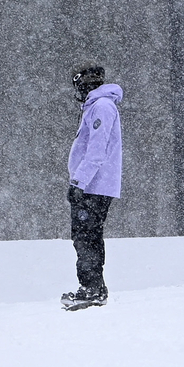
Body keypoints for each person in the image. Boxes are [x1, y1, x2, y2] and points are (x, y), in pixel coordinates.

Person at [61, 65, 122, 310]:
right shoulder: (96, 107)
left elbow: (97, 150)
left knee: (86, 236)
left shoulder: (101, 107)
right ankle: (95, 287)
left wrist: (79, 181)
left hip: (94, 185)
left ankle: (91, 288)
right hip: (93, 184)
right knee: (87, 236)